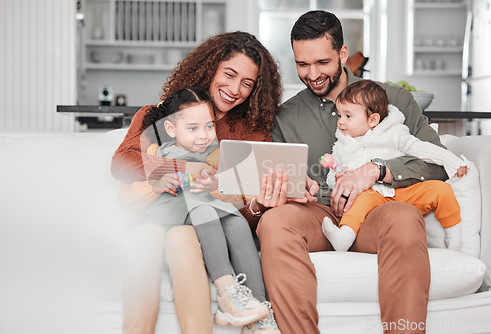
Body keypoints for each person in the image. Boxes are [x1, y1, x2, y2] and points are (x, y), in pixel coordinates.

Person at [246, 10, 451, 334]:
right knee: (274, 222)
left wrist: (376, 170)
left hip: (377, 209)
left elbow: (440, 163)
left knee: (404, 217)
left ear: (343, 54)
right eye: (302, 64)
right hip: (317, 213)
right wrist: (294, 187)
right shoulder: (285, 116)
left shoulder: (393, 99)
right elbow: (276, 179)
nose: (312, 74)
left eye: (322, 62)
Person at [111, 32, 282, 334]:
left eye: (247, 83)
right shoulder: (164, 115)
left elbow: (242, 207)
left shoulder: (248, 130)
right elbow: (124, 163)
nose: (234, 89)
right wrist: (190, 167)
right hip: (164, 216)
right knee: (152, 241)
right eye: (229, 74)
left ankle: (250, 312)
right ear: (210, 67)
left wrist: (250, 201)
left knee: (193, 234)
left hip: (207, 221)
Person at [141, 86, 273, 327]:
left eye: (210, 126)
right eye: (192, 128)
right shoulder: (162, 153)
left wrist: (216, 181)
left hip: (206, 207)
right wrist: (161, 180)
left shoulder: (216, 152)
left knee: (236, 222)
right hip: (174, 211)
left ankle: (261, 312)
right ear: (171, 129)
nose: (203, 135)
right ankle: (226, 291)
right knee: (206, 211)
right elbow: (153, 179)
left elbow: (231, 187)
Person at [319, 79, 467, 252]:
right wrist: (338, 178)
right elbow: (333, 177)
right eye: (340, 115)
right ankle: (344, 236)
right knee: (358, 201)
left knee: (441, 190)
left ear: (373, 119)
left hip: (402, 190)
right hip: (372, 197)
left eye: (348, 116)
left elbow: (423, 149)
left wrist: (454, 163)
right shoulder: (342, 144)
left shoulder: (393, 133)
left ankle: (454, 238)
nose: (341, 122)